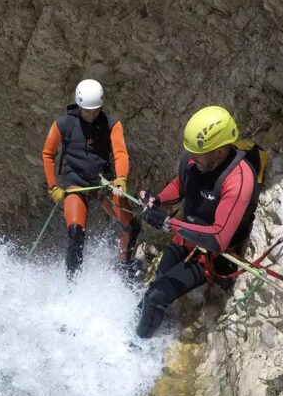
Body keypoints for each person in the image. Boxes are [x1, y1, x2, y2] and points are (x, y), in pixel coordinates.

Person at [136, 106, 261, 338]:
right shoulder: (195, 160)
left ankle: (138, 345)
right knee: (157, 285)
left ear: (220, 151)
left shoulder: (239, 179)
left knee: (156, 296)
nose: (192, 158)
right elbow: (182, 184)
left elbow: (218, 238)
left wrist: (167, 223)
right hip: (185, 238)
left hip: (210, 255)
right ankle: (139, 324)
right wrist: (158, 200)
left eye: (198, 154)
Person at [42, 79, 141, 278]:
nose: (92, 114)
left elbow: (120, 153)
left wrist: (121, 179)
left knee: (132, 226)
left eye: (96, 110)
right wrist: (53, 187)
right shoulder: (63, 124)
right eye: (87, 110)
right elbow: (47, 154)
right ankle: (73, 284)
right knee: (76, 233)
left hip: (104, 182)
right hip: (75, 183)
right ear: (79, 106)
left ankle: (124, 266)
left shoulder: (111, 124)